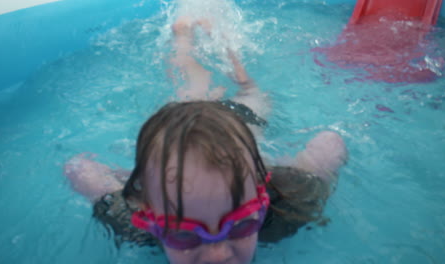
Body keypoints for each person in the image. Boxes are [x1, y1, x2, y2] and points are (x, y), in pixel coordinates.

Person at [64, 17, 347, 264]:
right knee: (189, 90)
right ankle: (183, 35)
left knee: (248, 91)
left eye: (240, 226)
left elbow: (330, 143)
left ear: (262, 195)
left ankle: (227, 53)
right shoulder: (135, 225)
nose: (218, 256)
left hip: (241, 120)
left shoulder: (288, 205)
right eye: (184, 234)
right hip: (191, 124)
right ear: (148, 215)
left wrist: (295, 166)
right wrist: (135, 184)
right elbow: (77, 169)